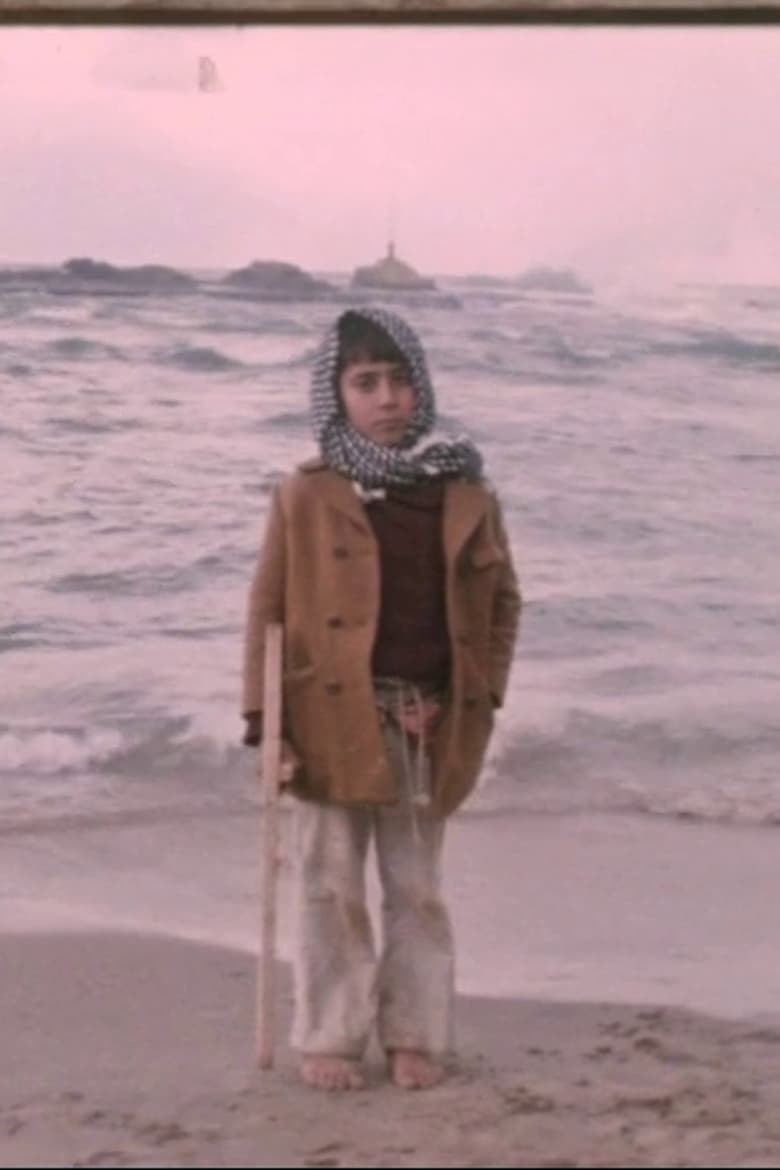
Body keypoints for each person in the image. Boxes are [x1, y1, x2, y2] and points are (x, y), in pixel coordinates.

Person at [242, 305, 520, 1092]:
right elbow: (266, 610)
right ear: (336, 393)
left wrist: (476, 697)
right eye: (365, 382)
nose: (388, 398)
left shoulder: (464, 489)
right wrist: (267, 726)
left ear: (421, 386)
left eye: (400, 380)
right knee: (328, 883)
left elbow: (503, 604)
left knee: (417, 889)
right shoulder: (306, 493)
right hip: (328, 718)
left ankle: (414, 1033)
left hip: (429, 720)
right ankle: (331, 1032)